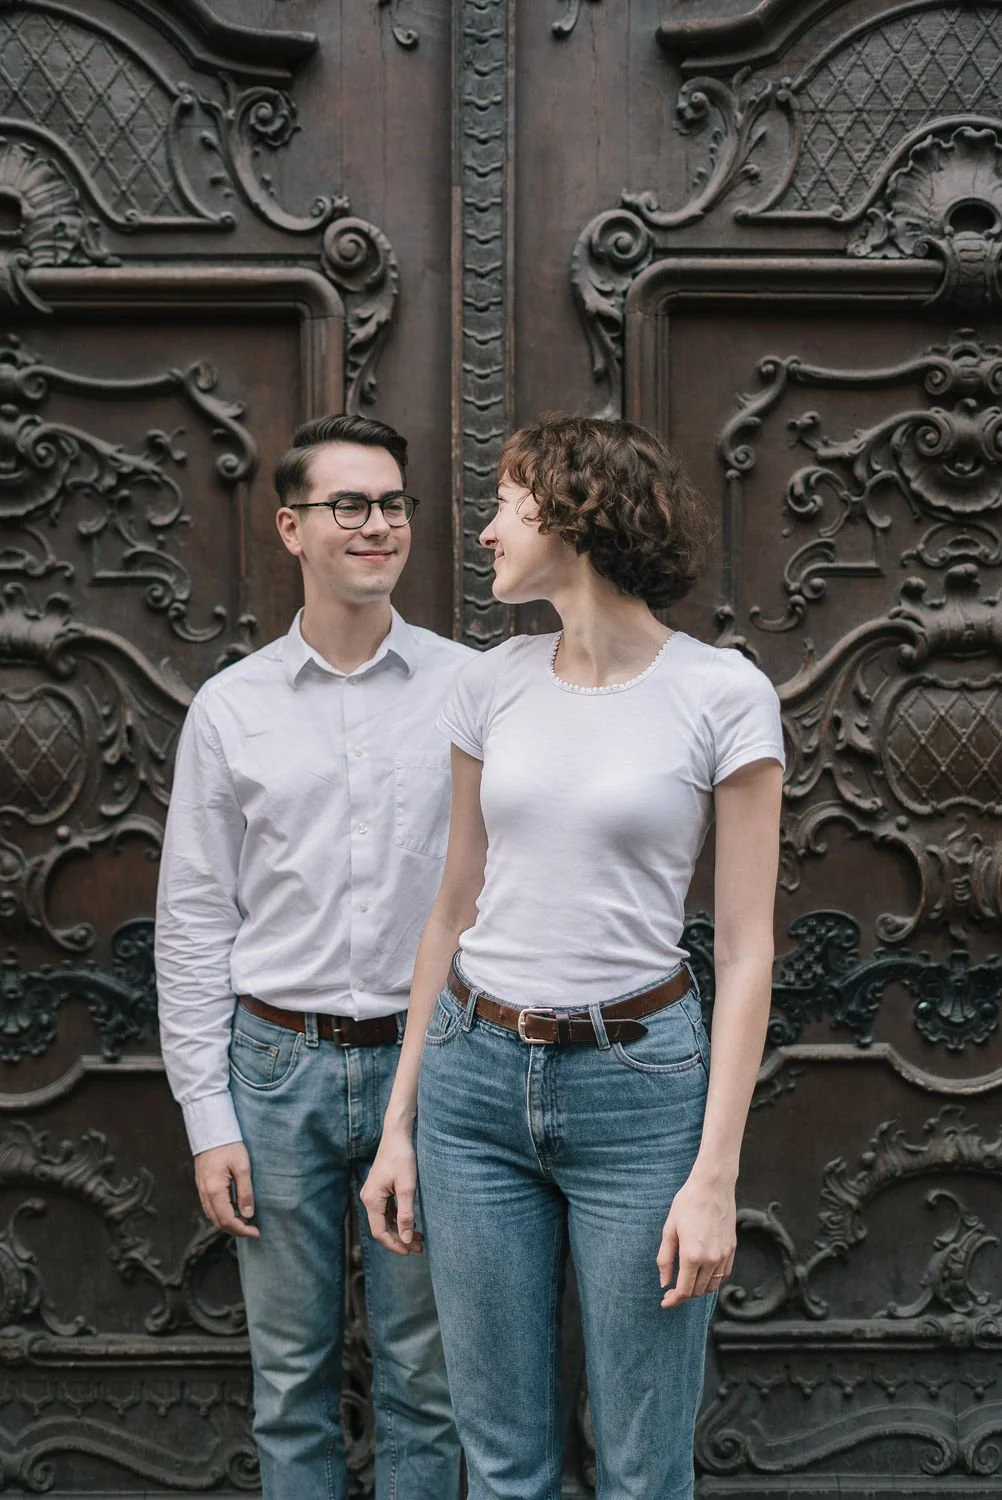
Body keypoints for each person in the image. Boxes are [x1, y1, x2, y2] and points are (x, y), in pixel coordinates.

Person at [361, 414, 785, 1500]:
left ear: (575, 511)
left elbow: (744, 950)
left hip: (636, 1092)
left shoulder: (721, 694)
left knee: (643, 1468)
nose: (488, 530)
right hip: (473, 1079)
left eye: (507, 503)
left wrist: (713, 1177)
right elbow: (450, 909)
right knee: (503, 1460)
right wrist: (400, 1125)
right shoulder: (492, 684)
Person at [156, 413, 469, 1500]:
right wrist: (209, 1120)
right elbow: (195, 920)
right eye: (350, 505)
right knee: (289, 1378)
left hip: (425, 1070)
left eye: (392, 504)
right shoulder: (230, 710)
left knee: (427, 1379)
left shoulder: (470, 691)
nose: (377, 525)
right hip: (274, 1068)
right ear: (292, 527)